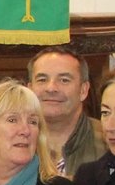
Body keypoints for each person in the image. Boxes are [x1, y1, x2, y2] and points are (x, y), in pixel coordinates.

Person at [29, 47, 105, 177]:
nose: (51, 88)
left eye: (64, 80)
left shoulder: (109, 143)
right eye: (42, 80)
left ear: (83, 90)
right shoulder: (14, 143)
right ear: (29, 90)